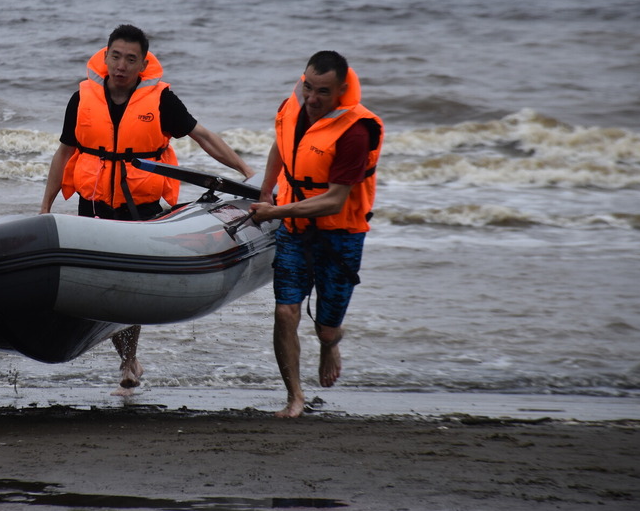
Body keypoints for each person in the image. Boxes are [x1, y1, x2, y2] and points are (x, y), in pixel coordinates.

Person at [40, 24, 255, 395]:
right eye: (116, 56)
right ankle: (127, 358)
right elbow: (64, 154)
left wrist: (248, 173)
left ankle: (128, 359)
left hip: (140, 207)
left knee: (125, 285)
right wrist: (45, 207)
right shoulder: (83, 97)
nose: (121, 65)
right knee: (100, 285)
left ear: (143, 64)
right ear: (105, 56)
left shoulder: (160, 100)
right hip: (92, 203)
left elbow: (202, 136)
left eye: (131, 59)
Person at [249, 51, 383, 418]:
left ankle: (329, 343)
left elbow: (334, 201)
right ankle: (294, 396)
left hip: (340, 235)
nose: (311, 98)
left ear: (341, 90)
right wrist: (265, 189)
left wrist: (275, 211)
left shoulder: (356, 132)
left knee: (326, 328)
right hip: (294, 229)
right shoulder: (294, 107)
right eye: (308, 86)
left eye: (323, 92)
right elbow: (282, 144)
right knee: (285, 312)